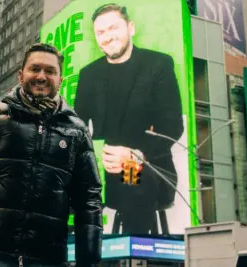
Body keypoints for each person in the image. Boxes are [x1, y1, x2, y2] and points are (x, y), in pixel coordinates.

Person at [0, 43, 103, 267]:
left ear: (60, 79)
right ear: (20, 75)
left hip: (47, 260)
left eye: (50, 71)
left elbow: (89, 199)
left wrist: (90, 262)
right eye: (35, 69)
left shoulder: (77, 131)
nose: (41, 76)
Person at [74, 3, 184, 235]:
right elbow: (78, 130)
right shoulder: (89, 75)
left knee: (132, 180)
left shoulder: (158, 65)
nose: (107, 37)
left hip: (146, 167)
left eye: (113, 28)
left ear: (131, 28)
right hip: (103, 172)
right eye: (100, 32)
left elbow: (172, 125)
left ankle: (135, 256)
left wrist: (136, 154)